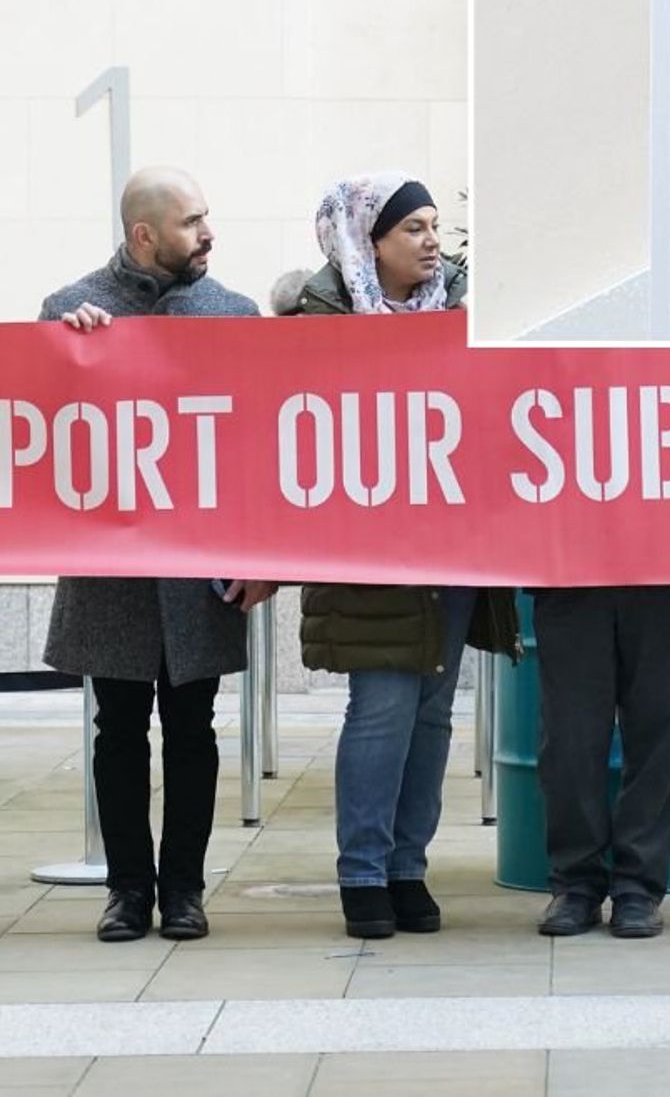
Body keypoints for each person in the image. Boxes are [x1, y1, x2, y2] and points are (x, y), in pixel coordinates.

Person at [42, 166, 272, 943]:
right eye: (191, 222)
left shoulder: (237, 317)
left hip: (199, 567)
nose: (208, 233)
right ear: (144, 235)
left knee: (193, 729)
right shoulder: (70, 310)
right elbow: (40, 426)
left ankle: (184, 891)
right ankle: (126, 891)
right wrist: (63, 356)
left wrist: (263, 556)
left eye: (206, 217)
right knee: (117, 729)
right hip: (111, 567)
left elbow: (259, 450)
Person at [295, 173, 520, 938]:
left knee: (431, 713)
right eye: (413, 229)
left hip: (450, 551)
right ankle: (362, 873)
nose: (432, 242)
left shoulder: (463, 315)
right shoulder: (314, 320)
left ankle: (406, 867)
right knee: (381, 709)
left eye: (433, 227)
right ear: (369, 241)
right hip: (367, 554)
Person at [531, 585, 670, 939]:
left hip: (668, 570)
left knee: (659, 730)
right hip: (570, 571)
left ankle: (638, 888)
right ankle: (575, 882)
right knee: (569, 736)